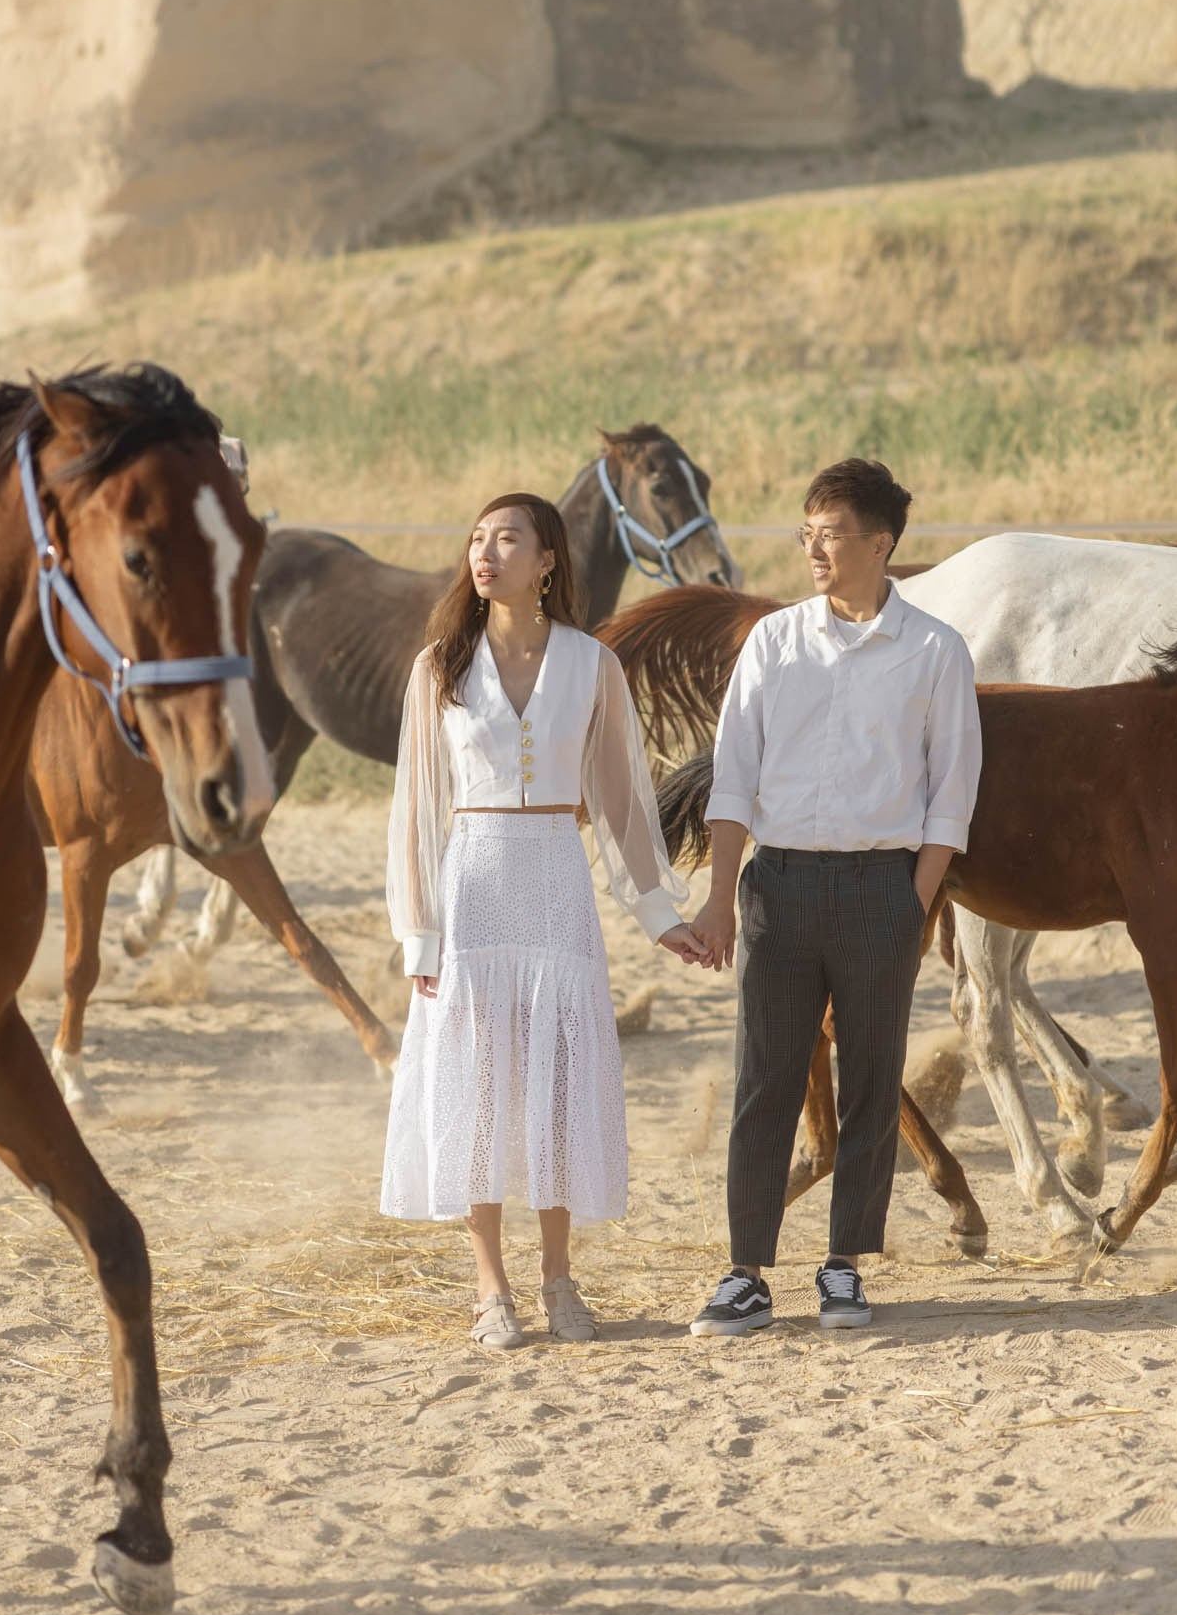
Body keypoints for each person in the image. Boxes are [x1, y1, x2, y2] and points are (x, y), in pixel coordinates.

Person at [380, 491, 713, 1349]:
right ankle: (490, 1286)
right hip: (473, 888)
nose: (485, 554)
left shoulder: (589, 664)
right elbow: (417, 805)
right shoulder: (438, 668)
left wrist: (656, 913)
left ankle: (558, 1277)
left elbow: (620, 800)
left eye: (507, 539)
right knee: (479, 1083)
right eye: (477, 540)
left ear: (547, 560)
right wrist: (417, 931)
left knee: (559, 1081)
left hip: (557, 886)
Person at [685, 457, 981, 1336]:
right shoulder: (773, 642)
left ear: (880, 544)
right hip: (776, 886)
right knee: (763, 1083)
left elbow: (951, 795)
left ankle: (844, 1266)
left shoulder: (934, 650)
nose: (814, 548)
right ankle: (744, 1273)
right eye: (806, 533)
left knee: (869, 1087)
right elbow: (732, 778)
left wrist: (910, 903)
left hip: (881, 892)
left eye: (832, 534)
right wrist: (718, 899)